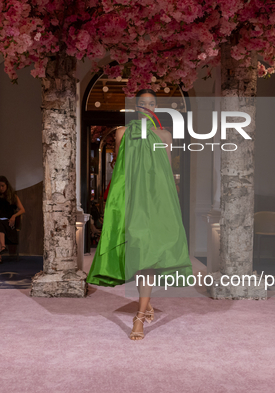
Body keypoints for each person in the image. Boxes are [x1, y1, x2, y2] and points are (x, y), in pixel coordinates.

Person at [86, 89, 193, 340]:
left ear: (156, 107)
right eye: (142, 103)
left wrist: (170, 209)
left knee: (148, 259)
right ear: (136, 107)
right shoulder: (123, 133)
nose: (147, 107)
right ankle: (145, 303)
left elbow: (167, 174)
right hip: (131, 202)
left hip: (156, 204)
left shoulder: (165, 135)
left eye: (151, 103)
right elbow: (120, 172)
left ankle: (139, 317)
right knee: (134, 254)